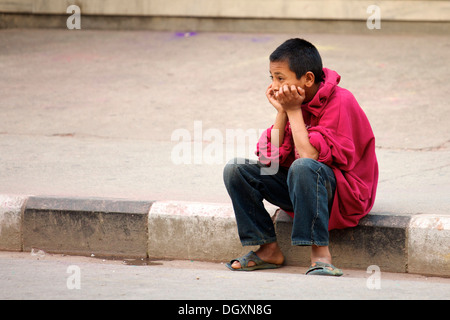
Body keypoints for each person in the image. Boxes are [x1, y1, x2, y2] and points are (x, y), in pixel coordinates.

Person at [223, 38, 378, 276]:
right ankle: (268, 249)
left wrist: (293, 110)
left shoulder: (340, 101)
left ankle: (320, 254)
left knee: (303, 166)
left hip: (344, 197)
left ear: (307, 78)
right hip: (304, 190)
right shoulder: (296, 101)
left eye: (281, 78)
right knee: (236, 170)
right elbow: (270, 161)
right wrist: (283, 112)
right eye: (272, 78)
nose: (274, 86)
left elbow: (309, 157)